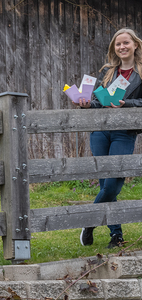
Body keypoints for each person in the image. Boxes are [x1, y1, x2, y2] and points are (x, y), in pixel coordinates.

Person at [73, 28, 142, 249]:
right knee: (105, 183)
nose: (122, 47)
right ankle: (116, 236)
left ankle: (89, 222)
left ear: (135, 45)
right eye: (118, 44)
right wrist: (85, 103)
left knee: (113, 184)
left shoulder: (141, 73)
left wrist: (127, 104)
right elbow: (99, 101)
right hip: (100, 131)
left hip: (124, 132)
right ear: (114, 48)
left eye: (126, 43)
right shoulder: (108, 72)